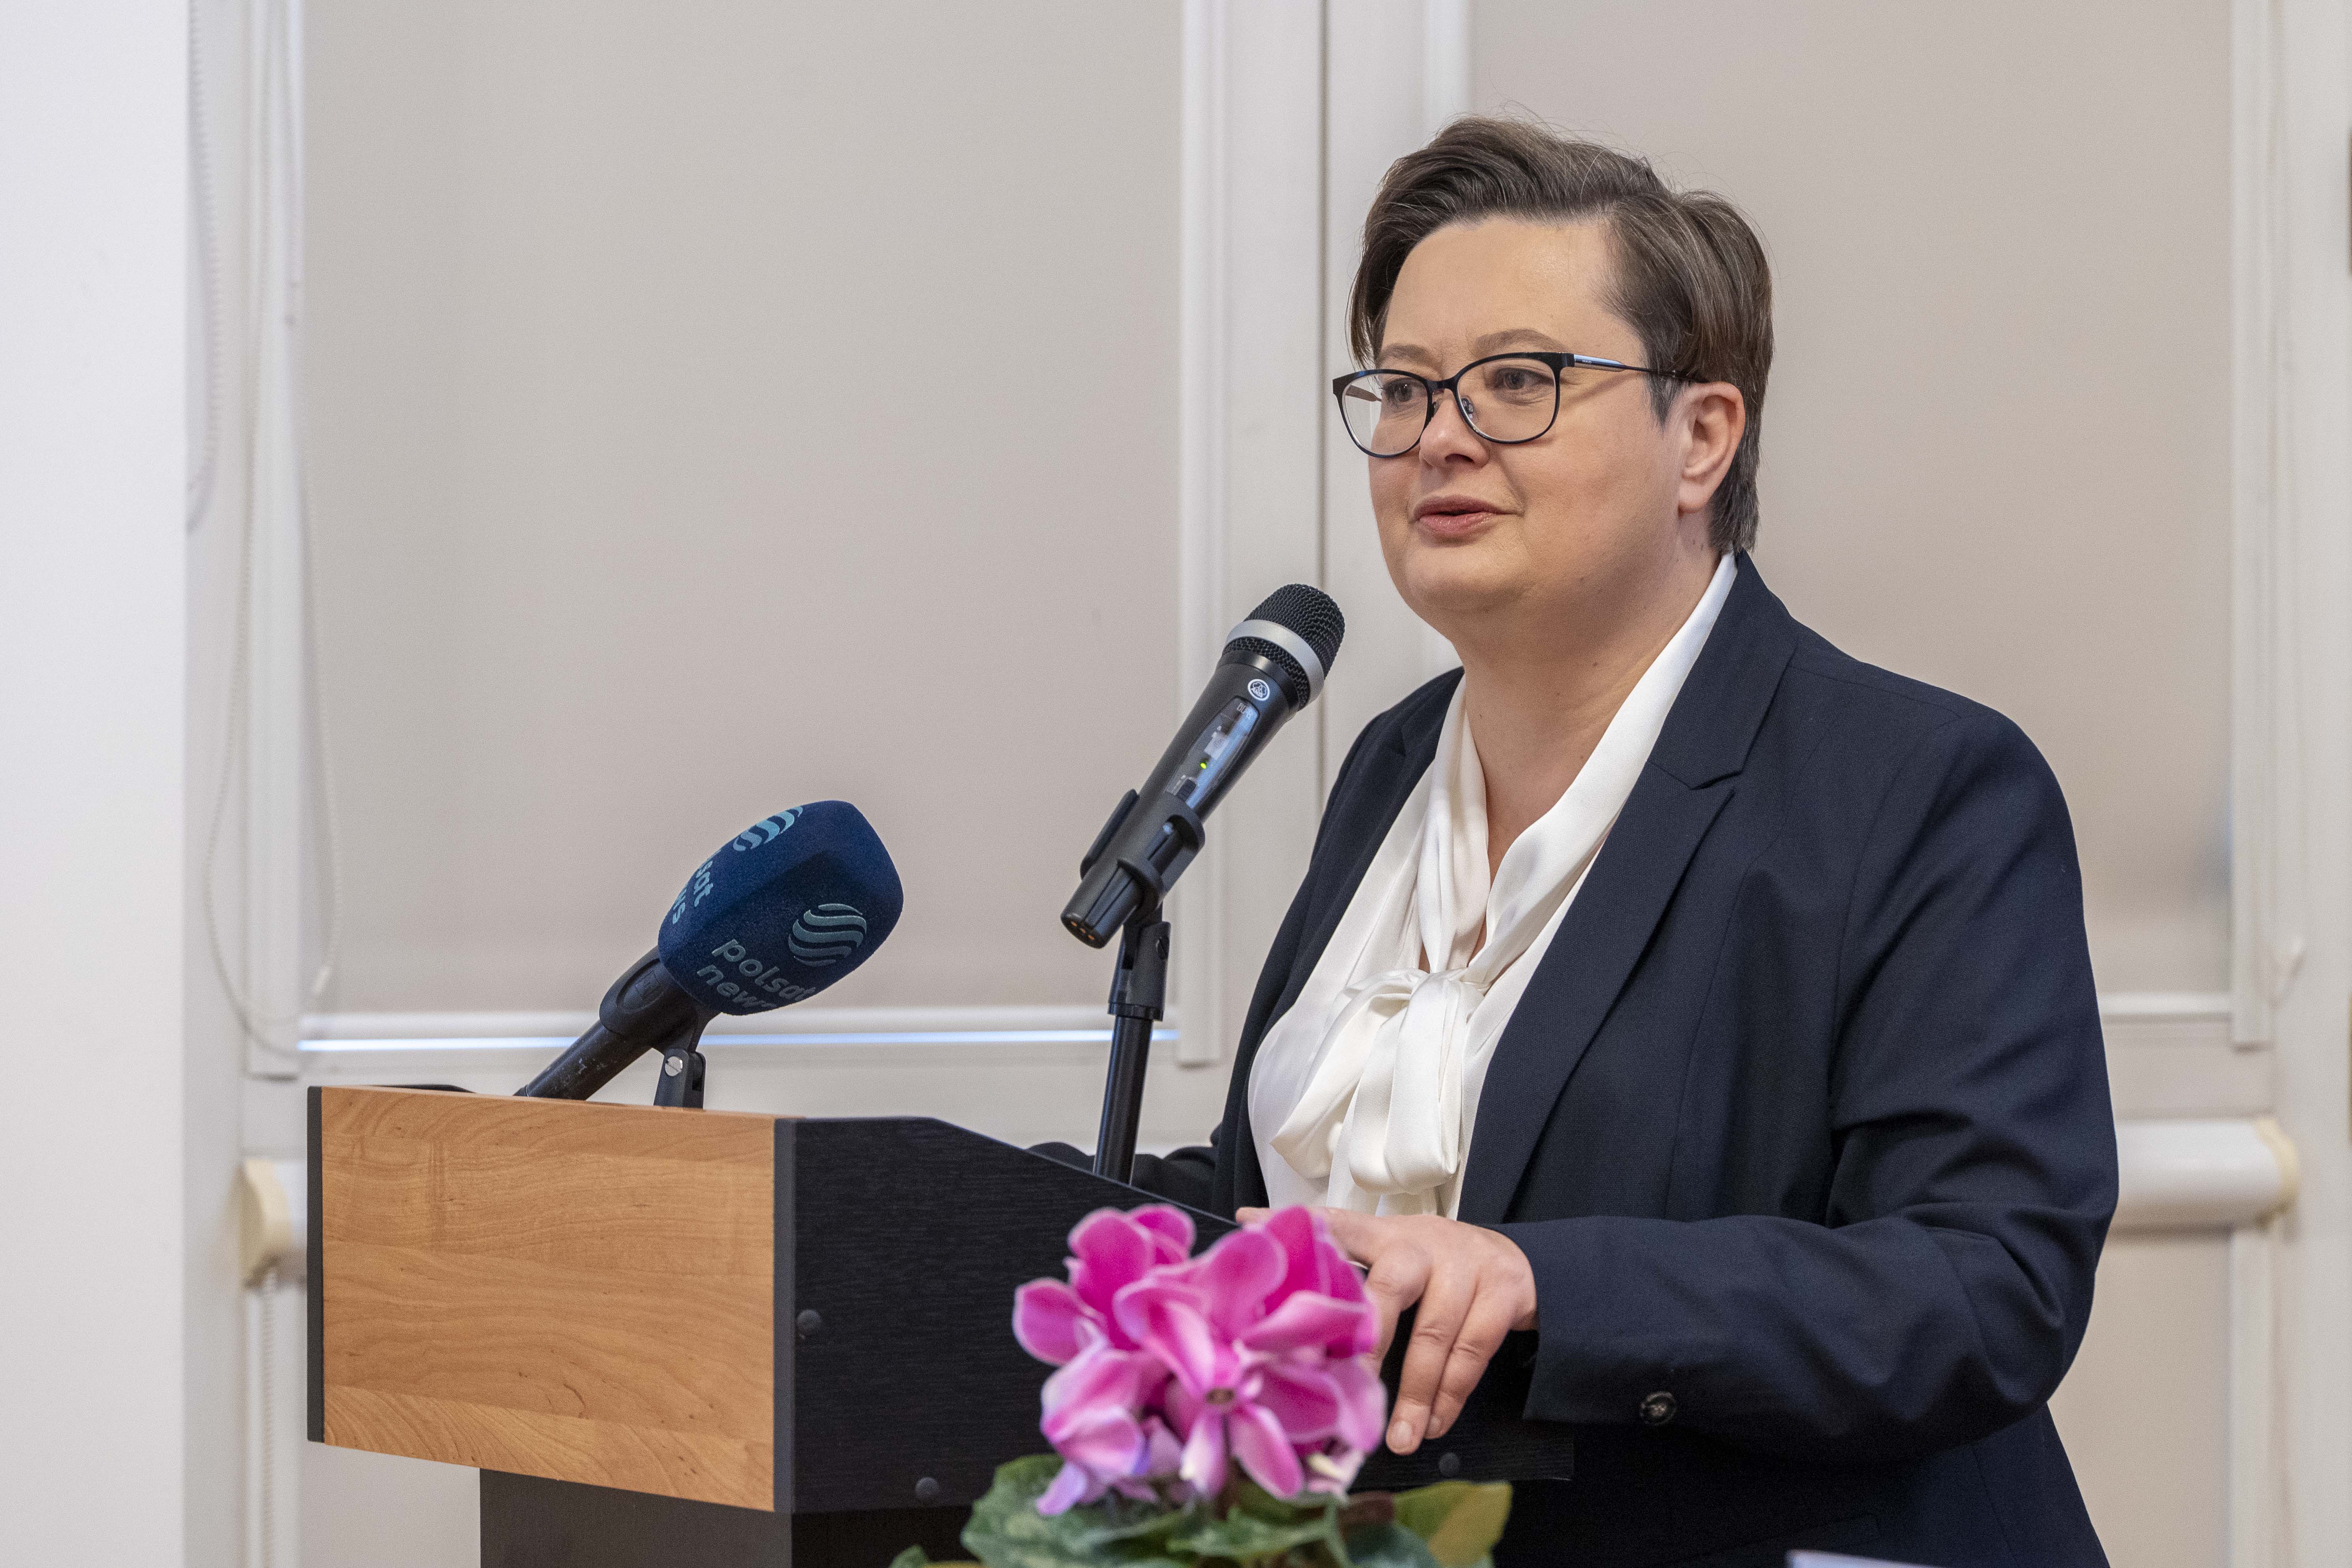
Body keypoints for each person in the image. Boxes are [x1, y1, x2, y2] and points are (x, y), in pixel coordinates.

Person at [1123, 119, 2116, 1566]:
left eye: (1516, 381)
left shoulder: (1917, 785)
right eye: (1402, 387)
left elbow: (1983, 1282)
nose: (1440, 435)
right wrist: (917, 1203)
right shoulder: (1390, 765)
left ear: (1700, 436)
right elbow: (1301, 1203)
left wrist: (1542, 1282)